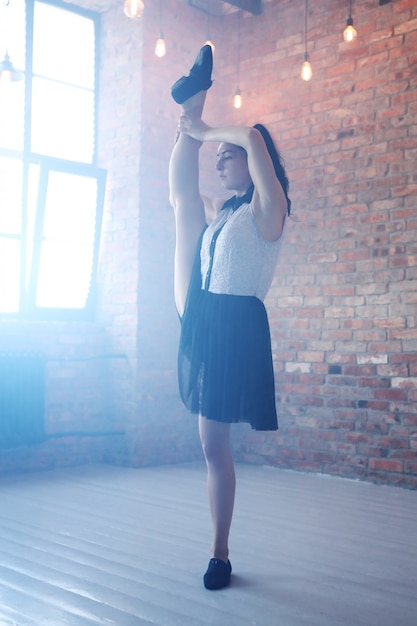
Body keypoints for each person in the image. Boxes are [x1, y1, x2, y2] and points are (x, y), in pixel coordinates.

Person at [169, 45, 291, 591]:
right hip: (201, 308)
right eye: (215, 155)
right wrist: (194, 131)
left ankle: (220, 553)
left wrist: (211, 129)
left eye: (225, 154)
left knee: (215, 447)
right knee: (182, 205)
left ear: (250, 161)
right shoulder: (224, 214)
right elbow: (186, 193)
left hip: (234, 324)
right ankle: (190, 101)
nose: (219, 161)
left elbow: (256, 137)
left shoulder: (270, 208)